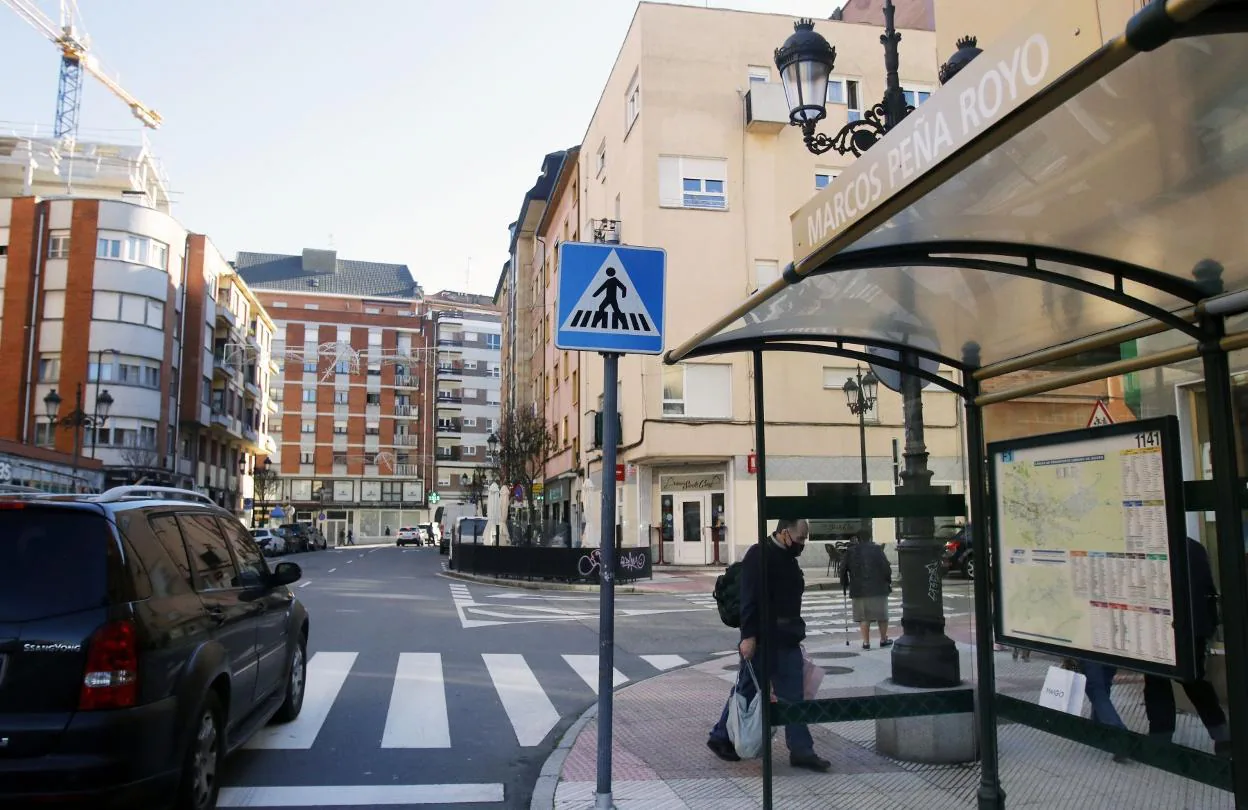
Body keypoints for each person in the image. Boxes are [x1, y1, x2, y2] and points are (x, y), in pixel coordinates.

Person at [707, 519, 832, 772]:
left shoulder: (788, 558)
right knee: (747, 690)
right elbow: (749, 599)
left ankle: (802, 750)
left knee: (793, 696)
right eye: (800, 538)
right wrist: (749, 636)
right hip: (763, 640)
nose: (802, 544)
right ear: (785, 533)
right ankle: (721, 736)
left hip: (786, 639)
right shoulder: (759, 555)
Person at [1143, 536, 1230, 756]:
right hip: (1194, 628)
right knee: (1193, 679)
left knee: (1156, 681)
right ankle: (1222, 734)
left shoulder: (1155, 547)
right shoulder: (1195, 546)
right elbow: (1208, 589)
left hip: (1163, 626)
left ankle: (1160, 739)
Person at [841, 533, 892, 650]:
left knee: (864, 617)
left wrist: (845, 584)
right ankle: (883, 639)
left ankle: (866, 642)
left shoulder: (850, 551)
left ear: (857, 539)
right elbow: (886, 567)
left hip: (859, 589)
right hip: (878, 587)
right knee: (882, 615)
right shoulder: (877, 549)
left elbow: (843, 569)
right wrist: (887, 581)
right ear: (870, 538)